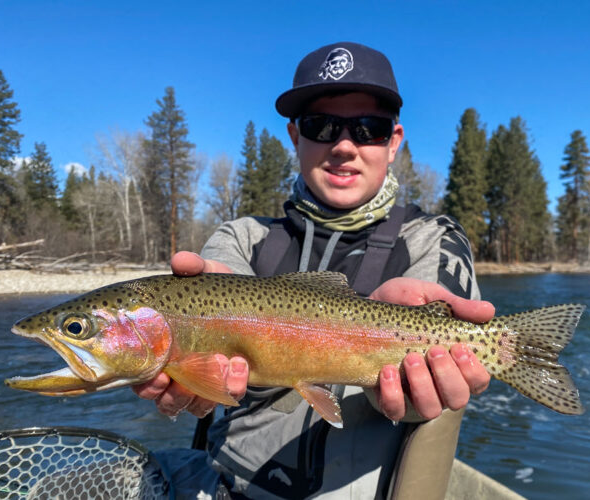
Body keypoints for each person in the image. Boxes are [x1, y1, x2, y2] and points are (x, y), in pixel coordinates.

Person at [135, 41, 493, 499]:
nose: (344, 146)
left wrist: (414, 384)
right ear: (294, 136)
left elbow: (442, 368)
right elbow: (209, 336)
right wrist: (200, 324)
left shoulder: (432, 238)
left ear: (394, 142)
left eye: (368, 128)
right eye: (321, 126)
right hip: (224, 484)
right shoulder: (242, 237)